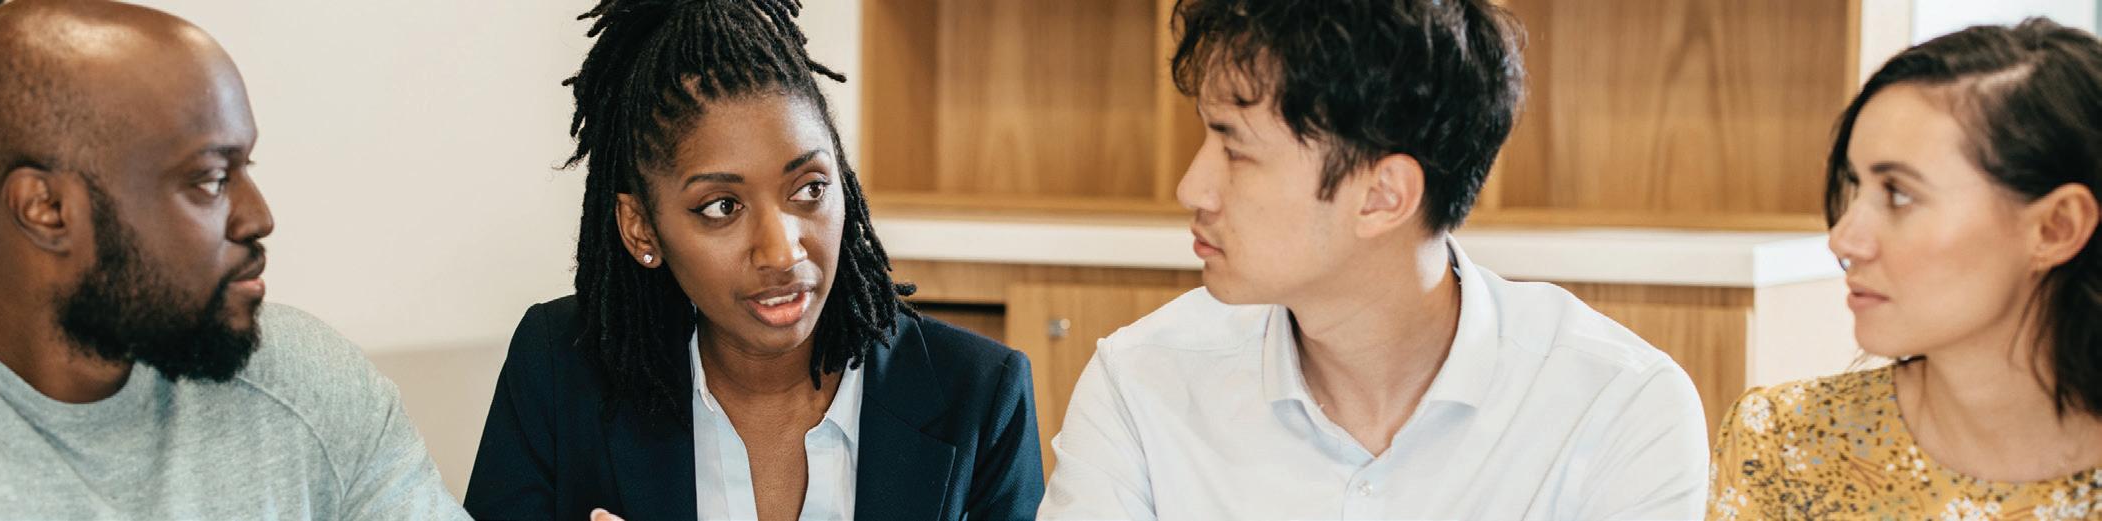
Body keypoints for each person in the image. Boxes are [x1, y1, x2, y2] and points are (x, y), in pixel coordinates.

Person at [1038, 1, 1711, 519]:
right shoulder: (1140, 382)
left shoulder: (1617, 407)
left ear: (1383, 196)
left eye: (1234, 149)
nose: (1192, 188)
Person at [0, 1, 466, 519]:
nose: (258, 217)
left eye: (245, 169)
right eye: (210, 179)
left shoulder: (309, 385)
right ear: (47, 209)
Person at [460, 1, 1043, 519]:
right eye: (722, 206)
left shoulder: (979, 396)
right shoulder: (559, 371)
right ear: (642, 227)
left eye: (809, 188)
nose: (782, 251)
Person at [1710, 19, 2102, 519]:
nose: (1843, 239)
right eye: (1855, 186)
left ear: (2056, 227)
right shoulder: (1785, 444)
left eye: (1898, 194)